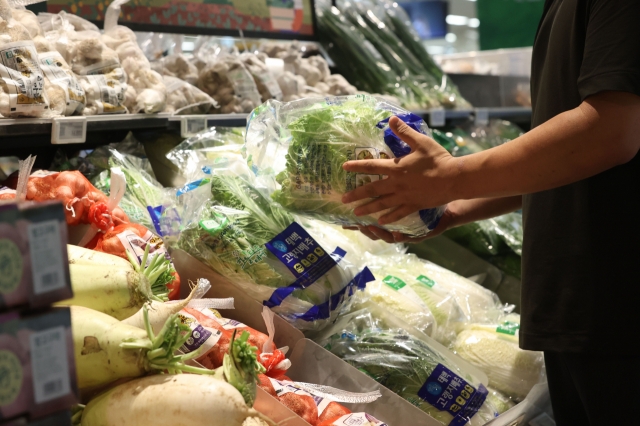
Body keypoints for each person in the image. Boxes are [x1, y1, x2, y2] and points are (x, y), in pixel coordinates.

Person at [341, 1, 640, 425]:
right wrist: (453, 209)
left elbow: (611, 131)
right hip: (582, 306)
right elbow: (563, 152)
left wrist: (452, 177)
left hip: (617, 307)